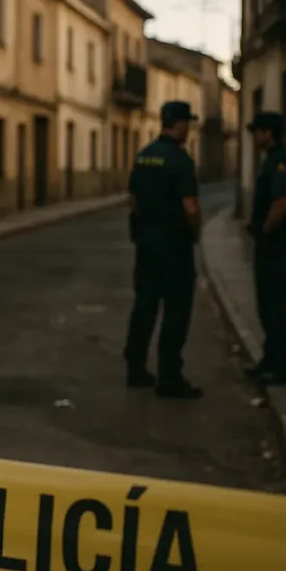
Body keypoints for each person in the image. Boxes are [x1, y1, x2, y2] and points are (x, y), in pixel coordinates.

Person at [123, 101, 203, 399]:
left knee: (144, 305)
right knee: (175, 310)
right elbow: (190, 206)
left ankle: (136, 368)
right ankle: (169, 377)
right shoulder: (180, 160)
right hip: (174, 246)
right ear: (179, 125)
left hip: (146, 243)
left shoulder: (144, 156)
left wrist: (140, 229)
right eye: (187, 125)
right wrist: (195, 233)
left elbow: (132, 198)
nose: (188, 130)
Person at [245, 112, 286, 385]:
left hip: (277, 243)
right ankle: (271, 358)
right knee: (267, 303)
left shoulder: (281, 163)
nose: (254, 136)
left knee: (276, 303)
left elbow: (281, 204)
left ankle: (285, 367)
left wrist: (265, 231)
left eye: (257, 131)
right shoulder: (272, 161)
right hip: (272, 242)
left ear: (269, 133)